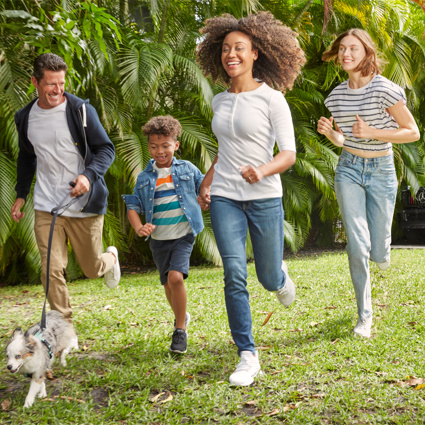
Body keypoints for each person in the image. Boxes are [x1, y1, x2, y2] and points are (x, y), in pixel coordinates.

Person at [196, 12, 305, 386]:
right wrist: (208, 181)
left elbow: (289, 154)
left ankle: (279, 279)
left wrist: (262, 170)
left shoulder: (273, 99)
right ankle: (247, 354)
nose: (231, 54)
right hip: (226, 194)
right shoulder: (220, 101)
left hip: (264, 196)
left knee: (267, 275)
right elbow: (224, 149)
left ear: (255, 52)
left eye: (239, 48)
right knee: (233, 273)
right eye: (225, 48)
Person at [317, 29, 420, 338]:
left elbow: (412, 132)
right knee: (357, 245)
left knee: (377, 252)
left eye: (354, 48)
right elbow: (346, 139)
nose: (346, 53)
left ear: (367, 53)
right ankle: (365, 317)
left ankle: (382, 252)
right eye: (342, 49)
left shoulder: (386, 90)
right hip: (348, 168)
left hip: (382, 171)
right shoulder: (335, 96)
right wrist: (333, 136)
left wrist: (373, 131)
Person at [11, 53, 121, 323]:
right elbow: (27, 156)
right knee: (50, 268)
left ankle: (111, 259)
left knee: (91, 268)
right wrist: (21, 195)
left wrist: (88, 176)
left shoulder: (80, 110)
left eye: (61, 83)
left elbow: (106, 149)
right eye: (50, 84)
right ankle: (64, 327)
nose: (57, 90)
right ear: (35, 82)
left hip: (83, 204)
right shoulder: (25, 117)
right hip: (47, 204)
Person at [122, 115, 204, 354]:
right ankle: (182, 315)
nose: (160, 151)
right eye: (154, 146)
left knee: (175, 279)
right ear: (148, 147)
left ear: (175, 145)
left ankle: (180, 329)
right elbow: (133, 206)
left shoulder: (187, 169)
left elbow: (204, 187)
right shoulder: (145, 177)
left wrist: (206, 197)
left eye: (165, 145)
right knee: (168, 287)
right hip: (159, 241)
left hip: (183, 235)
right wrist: (139, 227)